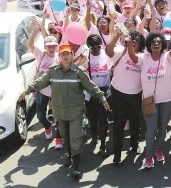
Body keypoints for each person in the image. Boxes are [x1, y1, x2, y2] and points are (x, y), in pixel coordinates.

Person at [19, 44, 110, 180]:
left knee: (75, 138)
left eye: (68, 54)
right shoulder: (52, 72)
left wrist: (103, 99)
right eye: (63, 54)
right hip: (60, 112)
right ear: (59, 57)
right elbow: (40, 82)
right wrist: (26, 91)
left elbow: (91, 87)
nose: (66, 56)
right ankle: (69, 155)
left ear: (72, 55)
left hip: (76, 112)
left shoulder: (79, 72)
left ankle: (75, 166)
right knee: (65, 137)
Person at [129, 30, 171, 169]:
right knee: (151, 129)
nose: (156, 43)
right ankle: (149, 156)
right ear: (149, 46)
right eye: (153, 42)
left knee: (163, 127)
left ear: (162, 45)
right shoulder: (144, 58)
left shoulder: (167, 57)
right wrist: (128, 44)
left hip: (168, 100)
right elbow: (132, 57)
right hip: (150, 102)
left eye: (159, 42)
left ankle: (158, 149)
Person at [105, 28, 145, 165]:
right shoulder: (120, 50)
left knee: (135, 124)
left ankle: (134, 146)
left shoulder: (143, 56)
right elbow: (108, 51)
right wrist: (116, 35)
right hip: (118, 95)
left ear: (140, 44)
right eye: (131, 39)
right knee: (118, 125)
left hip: (135, 96)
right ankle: (117, 154)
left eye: (137, 41)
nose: (134, 42)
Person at [27, 19, 63, 149]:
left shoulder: (60, 57)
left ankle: (59, 138)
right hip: (42, 91)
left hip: (57, 92)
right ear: (45, 47)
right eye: (49, 46)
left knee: (59, 117)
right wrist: (35, 31)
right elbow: (30, 44)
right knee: (41, 115)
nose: (51, 48)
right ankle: (48, 126)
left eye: (53, 45)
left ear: (57, 46)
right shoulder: (40, 55)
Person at [84, 34, 112, 157]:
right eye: (92, 48)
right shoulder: (85, 58)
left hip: (105, 93)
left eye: (98, 47)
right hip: (90, 94)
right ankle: (94, 135)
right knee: (92, 118)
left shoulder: (107, 56)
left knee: (103, 120)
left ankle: (103, 144)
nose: (95, 50)